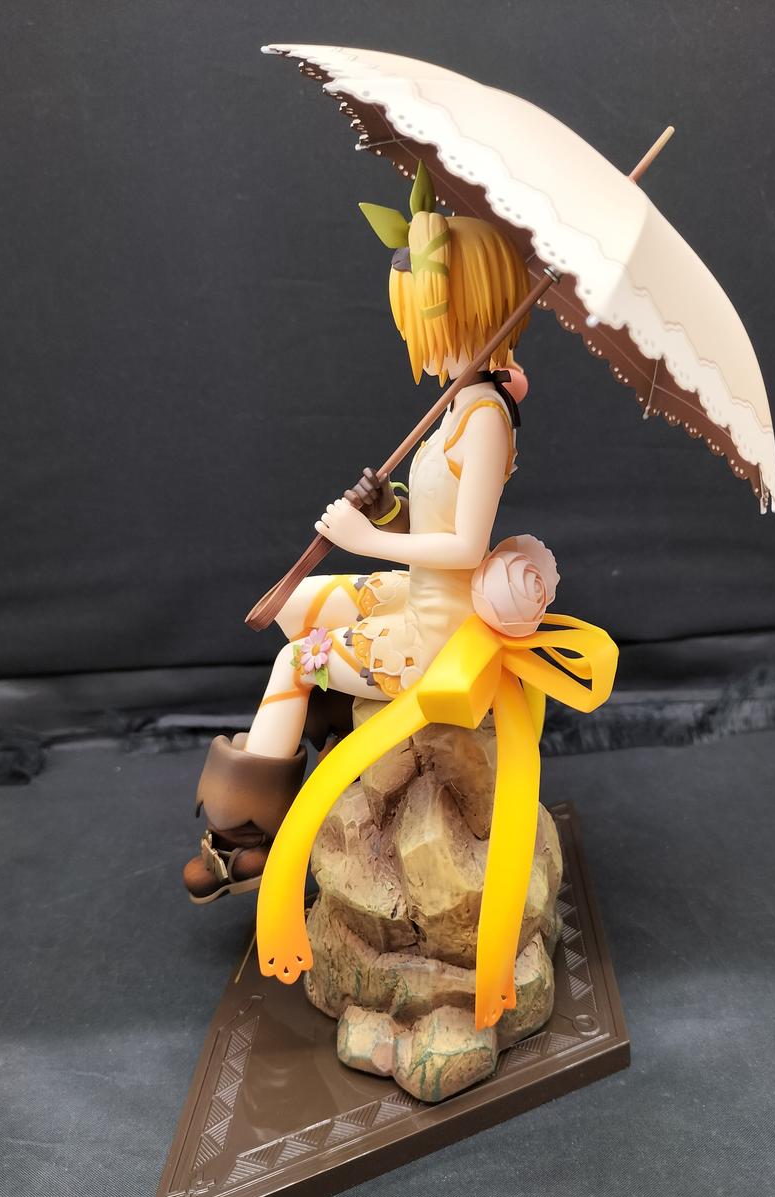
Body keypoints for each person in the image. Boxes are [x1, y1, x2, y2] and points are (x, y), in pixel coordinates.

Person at [184, 163, 533, 902]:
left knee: (294, 661)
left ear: (463, 311)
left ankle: (245, 837)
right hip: (414, 591)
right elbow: (431, 519)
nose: (414, 333)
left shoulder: (486, 418)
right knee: (295, 606)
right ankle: (335, 729)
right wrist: (385, 510)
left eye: (422, 317)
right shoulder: (458, 401)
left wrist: (363, 539)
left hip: (436, 629)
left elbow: (466, 549)